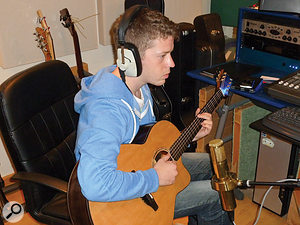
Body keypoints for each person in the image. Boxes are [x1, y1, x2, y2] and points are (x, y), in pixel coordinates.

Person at [74, 5, 231, 225]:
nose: (172, 63)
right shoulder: (106, 111)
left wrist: (191, 135)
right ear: (130, 58)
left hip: (140, 171)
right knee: (215, 194)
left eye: (171, 54)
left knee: (208, 163)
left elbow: (146, 146)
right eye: (163, 56)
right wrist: (155, 178)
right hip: (122, 202)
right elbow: (95, 183)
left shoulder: (141, 86)